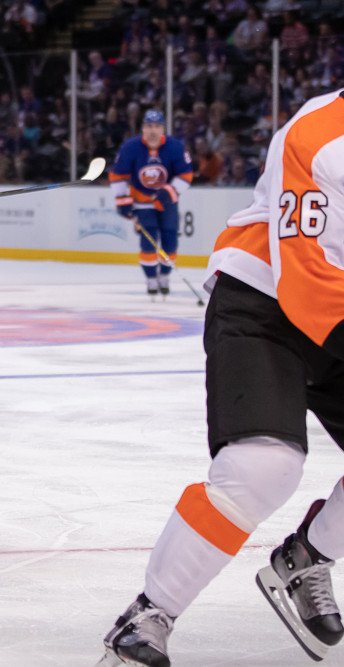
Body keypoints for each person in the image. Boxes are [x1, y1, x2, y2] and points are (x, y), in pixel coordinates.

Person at [98, 88, 344, 666]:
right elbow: (308, 285)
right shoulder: (321, 134)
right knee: (264, 464)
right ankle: (148, 615)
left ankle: (306, 559)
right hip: (266, 301)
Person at [109, 109, 193, 298]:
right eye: (148, 126)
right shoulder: (129, 147)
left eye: (156, 126)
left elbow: (186, 175)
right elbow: (117, 175)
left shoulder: (175, 146)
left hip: (167, 202)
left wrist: (167, 193)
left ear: (163, 129)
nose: (152, 131)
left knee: (170, 242)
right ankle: (150, 279)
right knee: (148, 242)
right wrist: (123, 201)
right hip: (142, 202)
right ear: (142, 129)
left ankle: (164, 275)